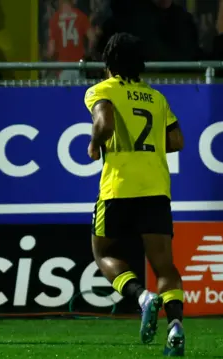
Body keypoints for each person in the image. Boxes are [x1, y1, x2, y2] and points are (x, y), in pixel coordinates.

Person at [84, 33, 186, 357]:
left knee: (102, 252)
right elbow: (177, 140)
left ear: (108, 63)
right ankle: (176, 328)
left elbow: (105, 122)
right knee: (164, 265)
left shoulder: (102, 90)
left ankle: (142, 297)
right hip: (156, 187)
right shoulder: (156, 98)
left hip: (119, 186)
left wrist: (94, 144)